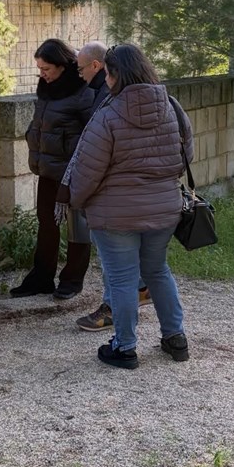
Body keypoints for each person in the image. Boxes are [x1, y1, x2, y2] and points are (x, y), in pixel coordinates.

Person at [67, 43, 193, 369]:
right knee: (157, 271)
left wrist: (77, 202)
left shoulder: (107, 115)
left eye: (108, 74)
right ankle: (175, 338)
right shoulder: (172, 106)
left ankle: (125, 348)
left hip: (115, 215)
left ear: (114, 75)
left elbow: (87, 172)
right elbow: (186, 156)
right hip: (164, 209)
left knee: (122, 280)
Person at [73, 40, 152, 332]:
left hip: (115, 193)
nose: (80, 74)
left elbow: (98, 154)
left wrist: (79, 196)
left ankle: (117, 320)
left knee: (113, 259)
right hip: (145, 194)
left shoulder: (111, 100)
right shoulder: (158, 99)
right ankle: (143, 293)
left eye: (82, 69)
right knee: (141, 260)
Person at [10, 38, 94, 300]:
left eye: (46, 69)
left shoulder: (83, 90)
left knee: (77, 226)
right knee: (46, 222)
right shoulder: (46, 87)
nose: (42, 74)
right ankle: (41, 277)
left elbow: (92, 133)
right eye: (39, 69)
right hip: (48, 170)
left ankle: (72, 280)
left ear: (62, 65)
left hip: (73, 173)